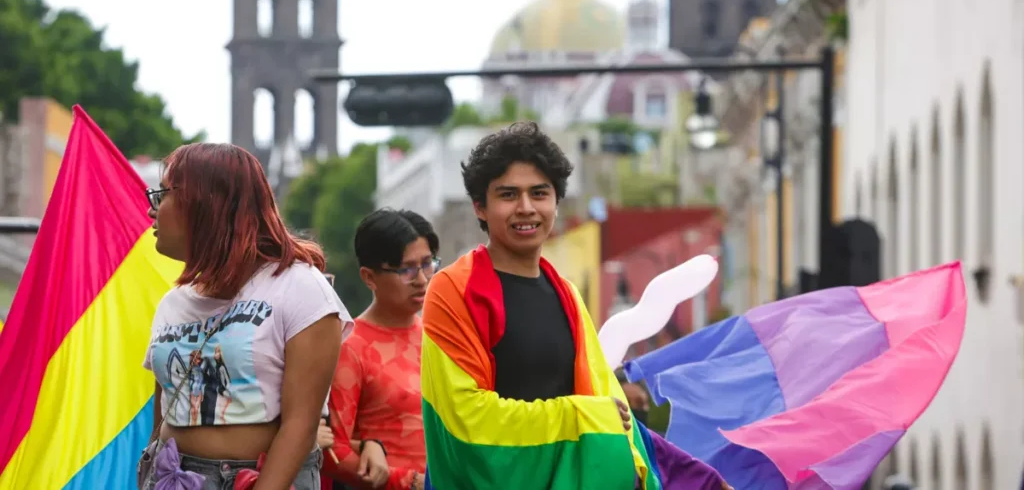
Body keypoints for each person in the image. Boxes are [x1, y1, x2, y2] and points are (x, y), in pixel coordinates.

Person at [419, 122, 730, 489]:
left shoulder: (566, 294)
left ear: (555, 201)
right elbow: (464, 422)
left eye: (539, 193)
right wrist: (579, 416)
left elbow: (614, 417)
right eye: (507, 195)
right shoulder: (453, 290)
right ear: (480, 207)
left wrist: (699, 480)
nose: (526, 208)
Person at [141, 143, 365, 490]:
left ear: (204, 202)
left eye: (163, 194)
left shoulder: (301, 288)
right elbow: (165, 405)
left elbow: (301, 425)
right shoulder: (172, 303)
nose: (152, 209)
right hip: (173, 477)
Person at [322, 209, 434, 490]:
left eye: (428, 263)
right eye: (406, 269)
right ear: (369, 277)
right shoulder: (351, 346)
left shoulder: (440, 337)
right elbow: (331, 450)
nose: (421, 279)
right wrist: (410, 482)